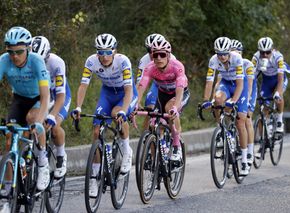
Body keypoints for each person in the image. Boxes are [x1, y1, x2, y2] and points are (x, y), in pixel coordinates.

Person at [71, 33, 137, 197]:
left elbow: (129, 90)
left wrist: (124, 109)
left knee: (116, 114)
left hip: (125, 94)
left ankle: (126, 150)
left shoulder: (123, 61)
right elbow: (83, 86)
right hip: (107, 94)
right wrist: (78, 107)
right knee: (96, 128)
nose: (104, 56)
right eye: (101, 52)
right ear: (96, 52)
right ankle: (94, 176)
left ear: (115, 51)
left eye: (108, 52)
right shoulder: (91, 61)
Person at [0, 26, 50, 190]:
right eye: (11, 52)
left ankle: (43, 163)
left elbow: (45, 97)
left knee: (33, 119)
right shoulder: (3, 61)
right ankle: (7, 192)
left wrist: (40, 122)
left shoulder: (36, 61)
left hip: (37, 100)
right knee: (9, 141)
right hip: (19, 100)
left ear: (28, 48)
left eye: (19, 52)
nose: (14, 56)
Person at [201, 37, 250, 176]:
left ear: (229, 52)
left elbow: (240, 85)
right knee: (217, 100)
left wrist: (233, 100)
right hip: (226, 84)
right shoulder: (213, 60)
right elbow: (209, 82)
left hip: (240, 85)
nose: (222, 57)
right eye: (219, 54)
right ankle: (222, 128)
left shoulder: (237, 59)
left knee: (241, 121)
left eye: (224, 53)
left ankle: (245, 160)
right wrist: (206, 99)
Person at [137, 39, 190, 161]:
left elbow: (180, 89)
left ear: (169, 55)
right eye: (155, 55)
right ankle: (158, 153)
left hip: (179, 94)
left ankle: (176, 147)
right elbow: (142, 86)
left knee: (170, 110)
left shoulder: (177, 66)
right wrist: (136, 104)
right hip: (162, 94)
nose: (159, 58)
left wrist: (175, 108)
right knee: (153, 121)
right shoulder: (150, 67)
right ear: (152, 56)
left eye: (163, 54)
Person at [31, 36, 70, 178]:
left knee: (54, 127)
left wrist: (52, 116)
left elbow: (60, 95)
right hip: (40, 93)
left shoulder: (57, 62)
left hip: (58, 94)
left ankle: (61, 155)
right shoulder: (27, 61)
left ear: (47, 55)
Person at [252, 37, 287, 133]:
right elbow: (251, 77)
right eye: (262, 52)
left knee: (278, 98)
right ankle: (266, 130)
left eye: (267, 52)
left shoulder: (278, 57)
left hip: (278, 79)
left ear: (272, 49)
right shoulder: (255, 57)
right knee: (264, 106)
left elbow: (280, 79)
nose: (265, 55)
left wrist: (278, 93)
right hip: (266, 81)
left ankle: (279, 121)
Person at [230, 39, 255, 166]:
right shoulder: (227, 63)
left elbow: (249, 86)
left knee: (246, 118)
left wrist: (246, 102)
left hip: (248, 89)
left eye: (237, 53)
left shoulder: (247, 64)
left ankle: (250, 151)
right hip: (234, 88)